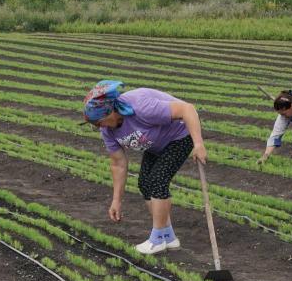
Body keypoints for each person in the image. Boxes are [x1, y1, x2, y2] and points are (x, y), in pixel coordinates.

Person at [83, 80, 207, 255]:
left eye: (99, 122)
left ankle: (157, 238)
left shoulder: (141, 106)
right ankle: (168, 236)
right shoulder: (108, 131)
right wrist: (116, 200)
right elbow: (118, 164)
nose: (98, 127)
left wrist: (198, 144)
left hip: (180, 136)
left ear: (110, 111)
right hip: (156, 144)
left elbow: (187, 109)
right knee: (145, 184)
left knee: (158, 181)